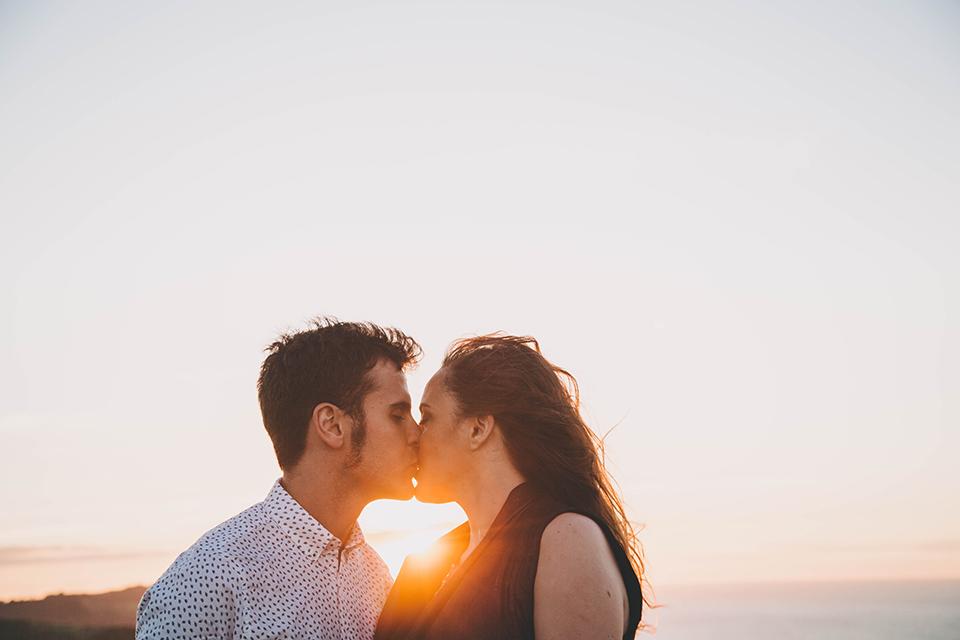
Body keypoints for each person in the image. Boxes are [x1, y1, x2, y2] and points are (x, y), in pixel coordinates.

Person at [136, 318, 422, 640]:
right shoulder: (207, 578)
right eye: (397, 415)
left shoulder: (377, 577)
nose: (416, 434)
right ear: (331, 425)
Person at [375, 334, 645, 640]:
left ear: (477, 429)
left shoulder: (565, 538)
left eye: (427, 418)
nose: (414, 435)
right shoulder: (429, 562)